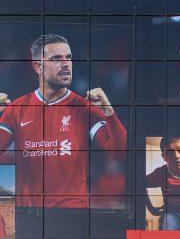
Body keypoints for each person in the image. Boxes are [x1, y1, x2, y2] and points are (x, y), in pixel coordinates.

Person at [0, 34, 127, 238]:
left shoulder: (83, 108)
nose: (66, 64)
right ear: (38, 67)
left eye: (68, 58)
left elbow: (121, 153)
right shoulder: (16, 108)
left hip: (72, 217)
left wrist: (109, 112)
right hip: (29, 217)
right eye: (56, 59)